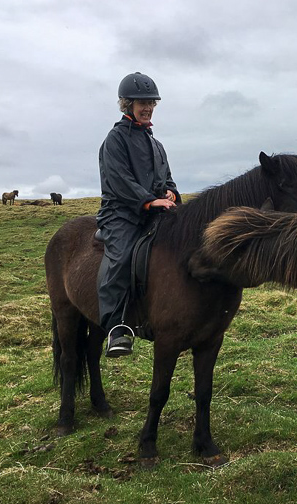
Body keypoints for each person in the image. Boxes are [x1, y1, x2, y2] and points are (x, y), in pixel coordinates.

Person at [96, 72, 181, 357]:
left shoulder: (156, 144)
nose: (148, 108)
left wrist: (170, 194)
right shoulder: (115, 140)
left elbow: (167, 178)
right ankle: (116, 328)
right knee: (121, 257)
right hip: (121, 213)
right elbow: (119, 181)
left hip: (152, 211)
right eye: (142, 102)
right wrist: (149, 201)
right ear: (127, 104)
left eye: (151, 102)